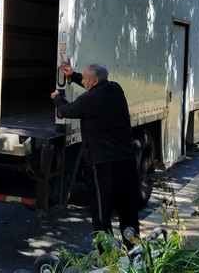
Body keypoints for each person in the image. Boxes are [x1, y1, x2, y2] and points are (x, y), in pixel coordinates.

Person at [51, 63, 140, 243]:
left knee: (101, 210)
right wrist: (73, 76)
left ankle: (106, 254)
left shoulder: (89, 99)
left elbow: (65, 111)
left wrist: (57, 98)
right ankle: (134, 250)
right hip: (126, 161)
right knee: (127, 207)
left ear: (93, 80)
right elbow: (92, 86)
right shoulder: (115, 89)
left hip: (102, 164)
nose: (82, 81)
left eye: (84, 78)